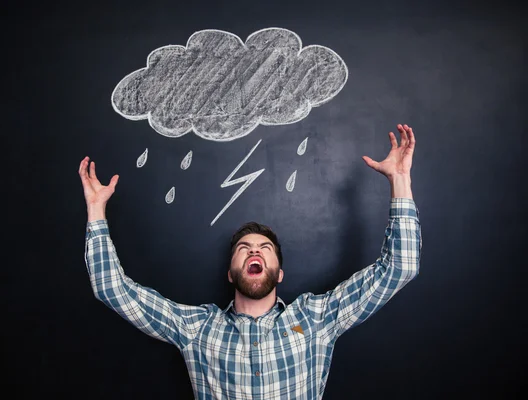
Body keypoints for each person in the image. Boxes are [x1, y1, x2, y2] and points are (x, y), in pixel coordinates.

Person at [78, 123, 421, 399]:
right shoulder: (197, 329)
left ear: (280, 273)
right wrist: (96, 210)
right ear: (230, 273)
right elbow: (112, 290)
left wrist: (399, 180)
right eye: (244, 248)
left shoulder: (316, 319)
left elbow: (399, 267)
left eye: (264, 248)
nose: (254, 251)